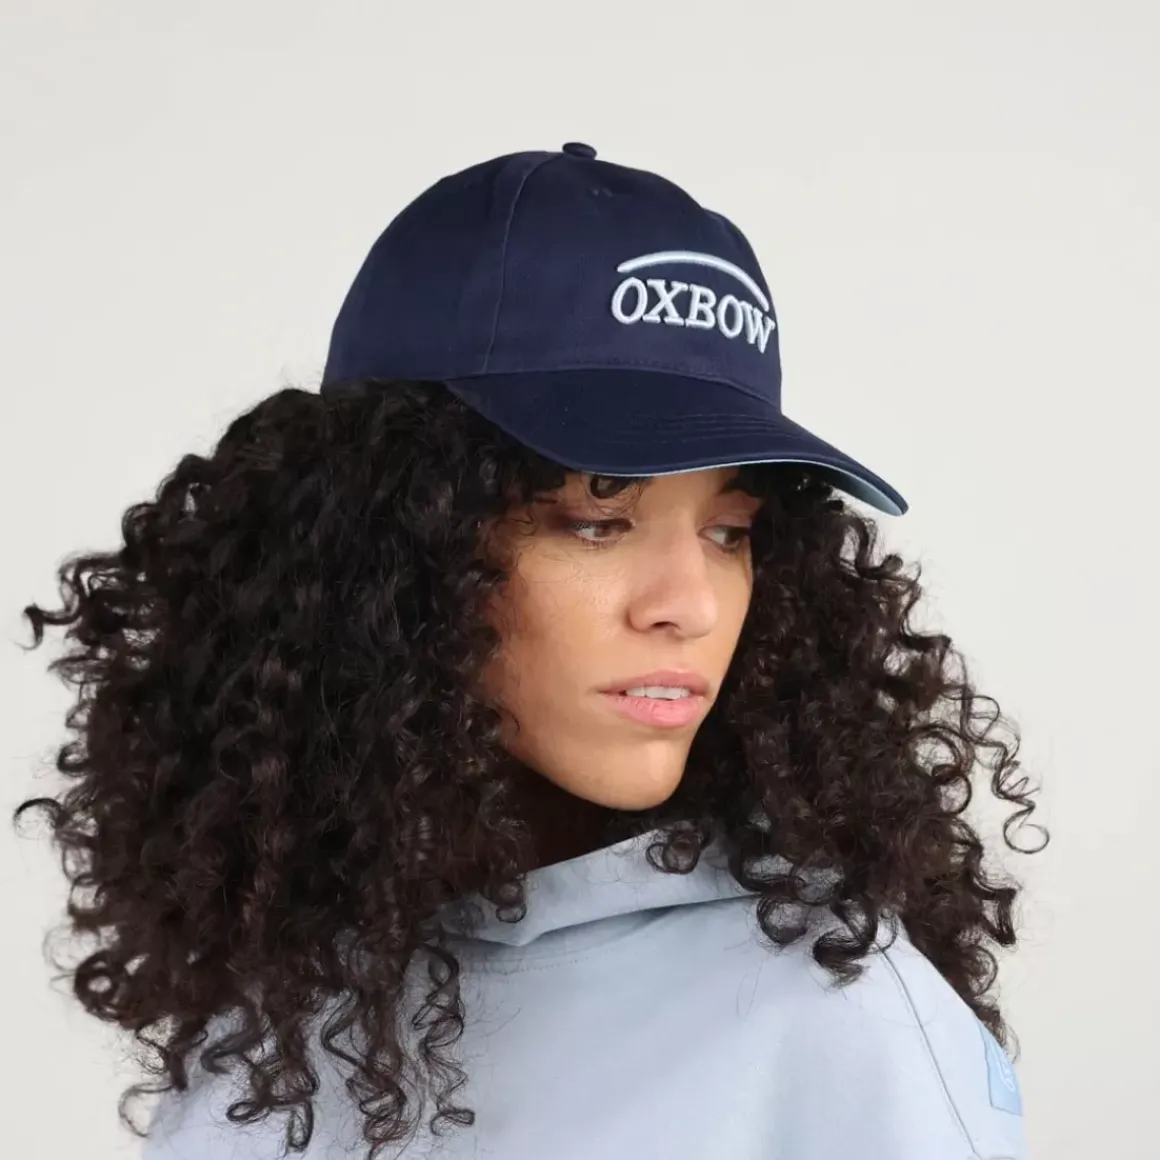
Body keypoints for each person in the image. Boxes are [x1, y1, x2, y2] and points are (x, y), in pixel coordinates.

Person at [17, 142, 1041, 1159]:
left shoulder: (835, 1014)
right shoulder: (291, 1016)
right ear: (390, 550)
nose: (689, 604)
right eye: (596, 521)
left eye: (730, 532)